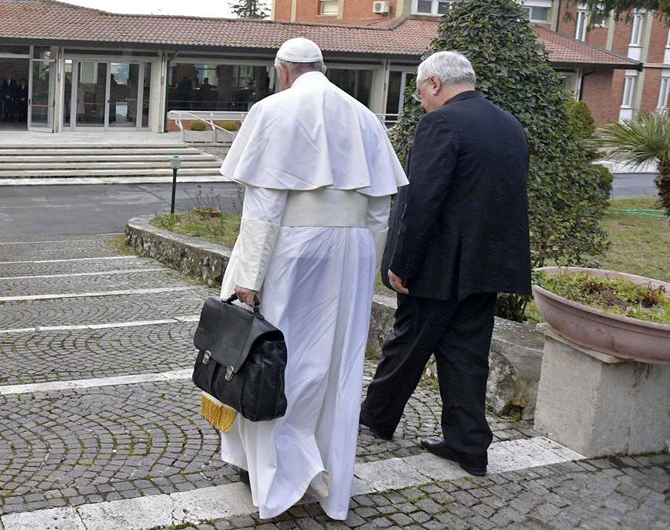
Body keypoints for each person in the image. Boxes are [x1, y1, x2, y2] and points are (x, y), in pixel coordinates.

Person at [217, 36, 407, 522]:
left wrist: (248, 276)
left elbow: (263, 207)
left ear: (283, 70)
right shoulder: (365, 116)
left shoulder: (273, 109)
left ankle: (275, 476)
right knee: (339, 365)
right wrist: (370, 269)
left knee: (277, 357)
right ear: (322, 67)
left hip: (296, 249)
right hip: (353, 252)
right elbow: (380, 209)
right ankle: (328, 477)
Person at [360, 51, 530, 477]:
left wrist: (402, 261)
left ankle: (375, 419)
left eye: (421, 94)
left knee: (407, 344)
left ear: (435, 83)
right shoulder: (508, 124)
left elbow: (423, 199)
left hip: (439, 266)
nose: (423, 103)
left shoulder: (441, 123)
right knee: (467, 355)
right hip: (485, 267)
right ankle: (469, 445)